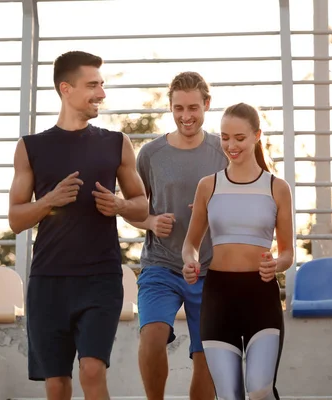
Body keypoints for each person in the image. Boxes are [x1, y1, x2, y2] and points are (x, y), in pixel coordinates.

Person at [8, 50, 148, 400]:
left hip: (100, 278)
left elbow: (142, 204)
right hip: (48, 282)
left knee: (91, 369)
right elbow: (15, 218)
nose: (101, 93)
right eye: (93, 85)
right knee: (56, 385)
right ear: (65, 88)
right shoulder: (30, 148)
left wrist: (119, 205)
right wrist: (49, 202)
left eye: (102, 85)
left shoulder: (117, 143)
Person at [124, 71, 227, 400]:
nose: (186, 116)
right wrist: (151, 222)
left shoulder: (223, 152)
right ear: (170, 108)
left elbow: (246, 203)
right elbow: (133, 209)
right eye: (178, 108)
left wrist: (213, 210)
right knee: (152, 337)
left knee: (205, 356)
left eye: (193, 108)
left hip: (210, 270)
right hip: (161, 266)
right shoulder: (151, 155)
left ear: (206, 105)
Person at [182, 103, 294, 400]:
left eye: (240, 138)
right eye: (225, 137)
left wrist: (277, 265)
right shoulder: (208, 185)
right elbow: (191, 243)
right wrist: (190, 262)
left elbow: (287, 253)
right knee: (230, 396)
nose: (231, 145)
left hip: (261, 296)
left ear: (257, 135)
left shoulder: (277, 187)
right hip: (219, 296)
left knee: (259, 390)